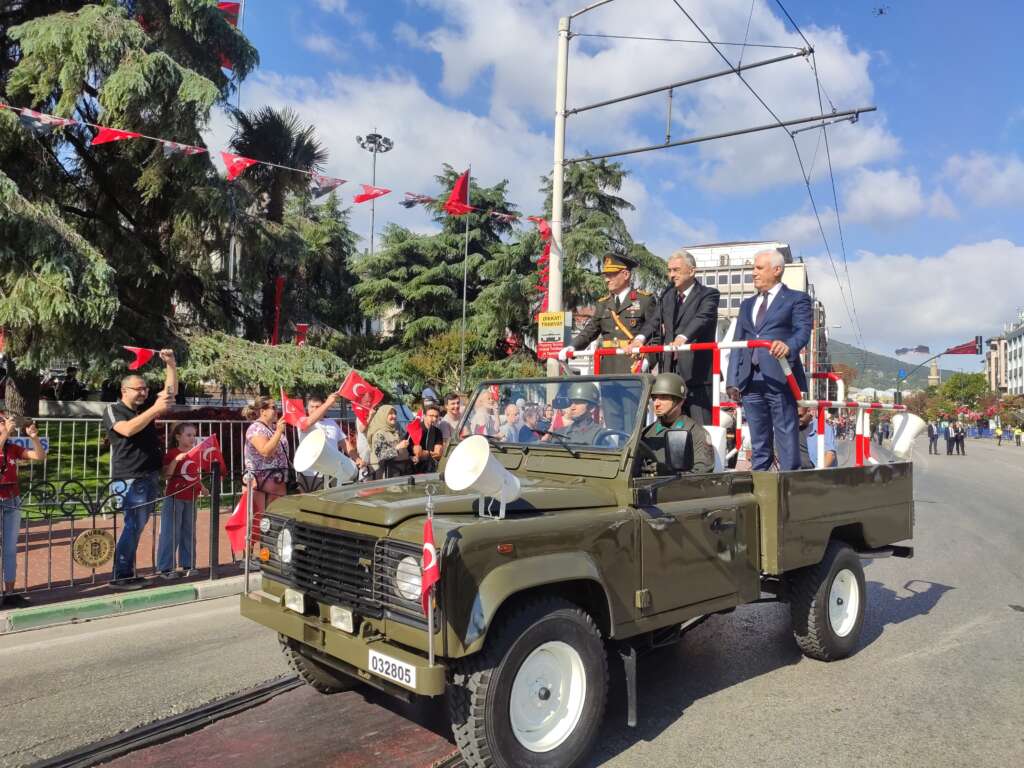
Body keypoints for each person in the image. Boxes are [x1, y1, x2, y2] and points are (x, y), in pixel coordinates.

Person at [726, 249, 812, 471]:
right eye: (753, 268)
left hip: (780, 378)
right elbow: (739, 341)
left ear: (777, 270)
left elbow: (803, 331)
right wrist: (732, 380)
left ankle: (788, 487)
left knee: (786, 437)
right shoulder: (746, 305)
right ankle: (762, 488)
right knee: (758, 439)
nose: (753, 273)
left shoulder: (797, 299)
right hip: (750, 381)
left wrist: (788, 346)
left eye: (758, 268)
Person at [558, 253, 656, 431]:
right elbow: (590, 331)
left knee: (632, 423)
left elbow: (655, 334)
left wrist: (647, 361)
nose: (607, 279)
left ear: (625, 275)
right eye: (606, 275)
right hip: (608, 371)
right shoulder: (604, 304)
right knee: (612, 423)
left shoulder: (644, 300)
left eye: (611, 275)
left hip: (633, 370)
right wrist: (572, 346)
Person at [105, 350, 176, 588]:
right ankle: (121, 574)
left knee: (138, 525)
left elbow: (169, 394)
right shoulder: (114, 410)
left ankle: (127, 570)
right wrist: (154, 410)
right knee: (133, 524)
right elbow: (127, 430)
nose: (144, 392)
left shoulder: (144, 410)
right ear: (124, 391)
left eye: (145, 389)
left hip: (149, 474)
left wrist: (171, 366)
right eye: (139, 389)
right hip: (130, 477)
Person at [630, 250, 720, 424]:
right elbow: (654, 321)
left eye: (676, 270)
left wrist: (683, 337)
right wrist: (639, 339)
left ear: (692, 271)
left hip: (697, 376)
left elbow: (702, 318)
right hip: (670, 374)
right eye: (669, 270)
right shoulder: (667, 296)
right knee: (669, 429)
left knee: (700, 429)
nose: (671, 275)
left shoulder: (709, 294)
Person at [0, 414, 46, 606]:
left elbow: (39, 457)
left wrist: (34, 438)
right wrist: (5, 434)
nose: (7, 423)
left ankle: (9, 593)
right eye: (2, 422)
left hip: (12, 499)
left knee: (10, 549)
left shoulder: (12, 447)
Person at [637, 373, 715, 476]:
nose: (656, 403)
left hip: (679, 489)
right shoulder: (645, 433)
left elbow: (702, 473)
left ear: (679, 401)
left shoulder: (695, 433)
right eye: (655, 398)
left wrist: (670, 473)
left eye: (663, 397)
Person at [241, 396, 289, 552]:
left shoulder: (273, 429)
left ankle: (266, 555)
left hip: (276, 482)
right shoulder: (256, 429)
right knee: (258, 520)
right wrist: (279, 432)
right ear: (263, 411)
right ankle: (247, 557)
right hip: (261, 483)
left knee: (273, 521)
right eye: (273, 408)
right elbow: (265, 451)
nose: (277, 411)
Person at [158, 422, 202, 578]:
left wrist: (202, 487)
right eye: (188, 435)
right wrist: (176, 460)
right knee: (171, 532)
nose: (192, 438)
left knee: (189, 532)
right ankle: (165, 568)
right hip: (175, 496)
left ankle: (188, 564)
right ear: (178, 436)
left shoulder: (194, 454)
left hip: (191, 497)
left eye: (194, 435)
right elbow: (166, 475)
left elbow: (194, 474)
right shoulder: (172, 453)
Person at [300, 392, 360, 484]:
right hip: (311, 474)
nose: (315, 409)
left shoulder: (331, 422)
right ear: (307, 408)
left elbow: (344, 443)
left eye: (318, 407)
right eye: (312, 407)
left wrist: (357, 459)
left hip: (333, 472)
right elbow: (307, 424)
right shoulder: (302, 421)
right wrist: (328, 403)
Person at [367, 405, 411, 479]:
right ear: (383, 415)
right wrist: (398, 448)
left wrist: (410, 457)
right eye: (390, 413)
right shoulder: (379, 434)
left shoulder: (395, 431)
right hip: (384, 475)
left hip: (397, 472)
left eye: (395, 413)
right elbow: (381, 455)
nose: (394, 416)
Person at [411, 403, 444, 473]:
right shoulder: (415, 428)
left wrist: (425, 453)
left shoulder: (438, 432)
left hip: (430, 468)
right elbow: (412, 451)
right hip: (413, 469)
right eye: (431, 416)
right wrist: (419, 454)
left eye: (436, 416)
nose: (434, 419)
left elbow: (437, 453)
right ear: (424, 416)